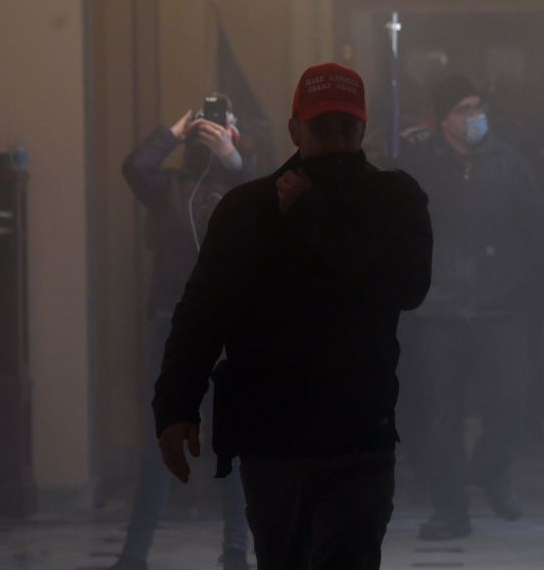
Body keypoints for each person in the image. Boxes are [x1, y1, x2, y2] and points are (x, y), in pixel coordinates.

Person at [152, 62, 433, 570]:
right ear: (295, 130)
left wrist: (314, 218)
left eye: (344, 129)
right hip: (275, 434)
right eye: (322, 129)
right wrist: (175, 404)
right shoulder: (248, 209)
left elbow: (406, 287)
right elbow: (203, 312)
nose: (334, 141)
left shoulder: (393, 198)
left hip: (356, 433)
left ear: (362, 130)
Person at [400, 74, 544, 541]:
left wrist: (533, 290)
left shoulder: (508, 163)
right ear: (444, 118)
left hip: (500, 305)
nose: (474, 116)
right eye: (464, 108)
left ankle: (491, 464)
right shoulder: (421, 165)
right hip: (439, 309)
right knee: (441, 416)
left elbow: (535, 228)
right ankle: (451, 510)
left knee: (511, 398)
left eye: (478, 106)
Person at [116, 97, 251, 570]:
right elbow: (135, 166)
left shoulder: (241, 187)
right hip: (173, 322)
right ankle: (135, 554)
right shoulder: (168, 188)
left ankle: (236, 548)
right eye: (209, 126)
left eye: (225, 124)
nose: (216, 131)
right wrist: (175, 130)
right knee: (163, 439)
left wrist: (235, 160)